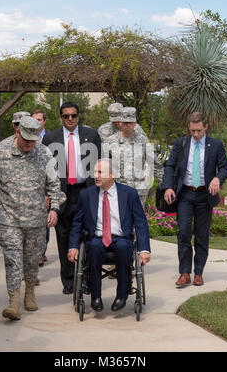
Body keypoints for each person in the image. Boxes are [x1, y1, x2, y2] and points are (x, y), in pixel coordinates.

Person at [0, 117, 66, 320]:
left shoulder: (44, 153)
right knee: (13, 259)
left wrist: (54, 209)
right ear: (18, 132)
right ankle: (13, 302)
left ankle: (30, 292)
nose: (29, 144)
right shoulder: (1, 152)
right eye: (26, 139)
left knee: (32, 261)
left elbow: (54, 184)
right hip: (8, 217)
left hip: (36, 218)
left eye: (33, 140)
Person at [68, 158, 151, 312]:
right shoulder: (86, 195)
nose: (96, 176)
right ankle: (96, 296)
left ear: (112, 175)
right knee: (94, 247)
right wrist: (73, 247)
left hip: (121, 238)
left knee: (123, 247)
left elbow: (140, 223)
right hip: (97, 238)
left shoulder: (129, 194)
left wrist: (144, 249)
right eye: (94, 172)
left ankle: (122, 295)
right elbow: (77, 224)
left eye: (100, 172)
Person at [162, 112, 227, 287]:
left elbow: (224, 167)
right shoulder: (181, 143)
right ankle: (184, 273)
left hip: (204, 195)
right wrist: (168, 186)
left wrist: (217, 178)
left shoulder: (215, 145)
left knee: (201, 235)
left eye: (198, 130)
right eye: (192, 130)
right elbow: (170, 166)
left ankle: (198, 272)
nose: (195, 134)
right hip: (185, 194)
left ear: (206, 127)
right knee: (184, 233)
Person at [43, 101, 102, 294]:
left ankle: (85, 279)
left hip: (86, 191)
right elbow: (44, 169)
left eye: (73, 116)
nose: (70, 119)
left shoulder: (91, 135)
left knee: (87, 235)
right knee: (64, 236)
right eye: (66, 116)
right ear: (61, 117)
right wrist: (46, 194)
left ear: (78, 116)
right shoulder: (50, 138)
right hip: (62, 193)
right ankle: (68, 280)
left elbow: (99, 163)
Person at [106, 106, 164, 208]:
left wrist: (165, 184)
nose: (127, 125)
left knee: (137, 221)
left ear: (135, 123)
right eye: (125, 123)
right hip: (117, 190)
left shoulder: (142, 140)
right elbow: (104, 165)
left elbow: (155, 163)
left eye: (130, 122)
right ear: (120, 123)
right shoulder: (110, 141)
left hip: (138, 190)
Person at [31, 109, 52, 266]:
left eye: (39, 119)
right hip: (30, 185)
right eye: (34, 119)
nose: (37, 122)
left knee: (44, 221)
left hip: (46, 183)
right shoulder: (26, 137)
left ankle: (41, 251)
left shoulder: (51, 139)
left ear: (44, 121)